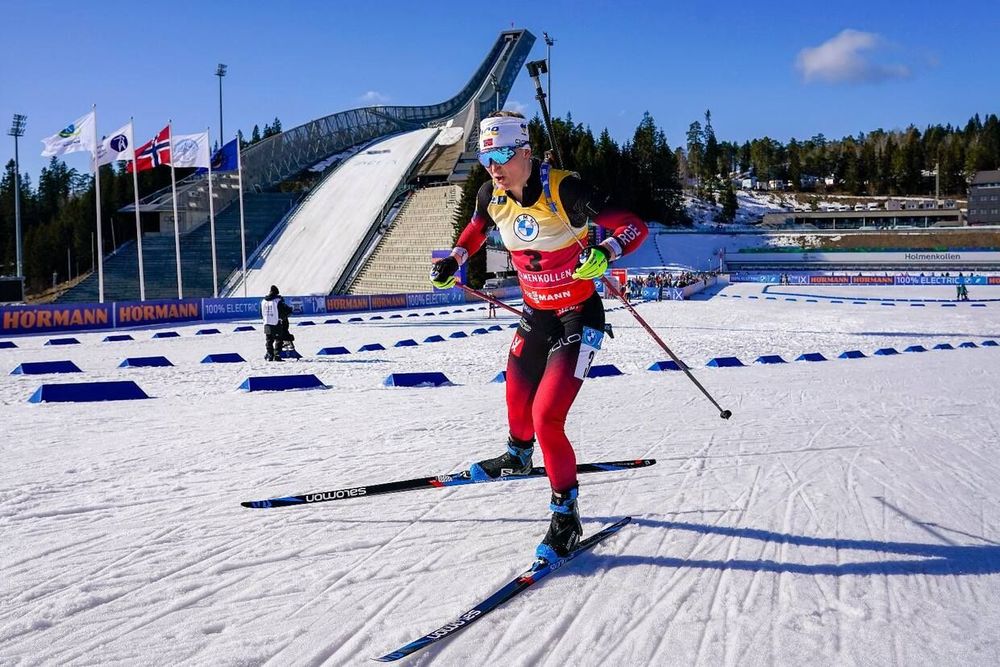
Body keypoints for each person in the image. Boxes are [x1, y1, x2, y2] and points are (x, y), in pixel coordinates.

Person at [429, 111, 648, 563]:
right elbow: (477, 228)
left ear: (526, 153)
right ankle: (517, 455)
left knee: (547, 416)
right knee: (516, 394)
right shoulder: (490, 193)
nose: (494, 167)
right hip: (536, 313)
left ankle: (566, 516)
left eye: (503, 156)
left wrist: (606, 250)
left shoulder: (564, 189)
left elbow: (634, 225)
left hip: (578, 316)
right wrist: (455, 258)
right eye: (486, 157)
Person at [261, 285, 290, 361]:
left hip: (266, 322)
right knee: (279, 339)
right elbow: (283, 311)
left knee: (269, 340)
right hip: (276, 322)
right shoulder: (277, 301)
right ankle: (276, 355)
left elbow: (261, 312)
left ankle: (270, 354)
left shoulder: (263, 301)